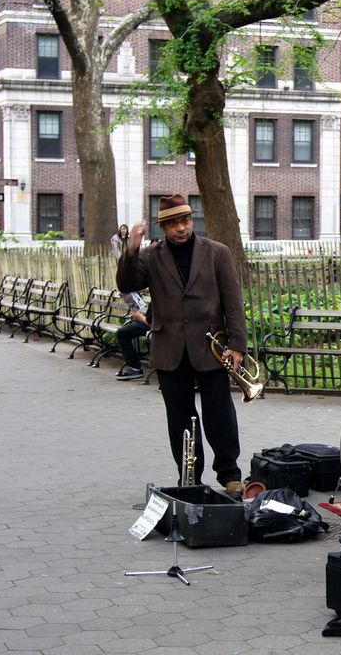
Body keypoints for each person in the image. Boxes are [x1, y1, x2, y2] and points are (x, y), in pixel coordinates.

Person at [116, 194, 247, 495]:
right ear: (163, 226)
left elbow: (233, 301)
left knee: (220, 414)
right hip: (170, 348)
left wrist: (238, 344)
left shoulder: (217, 252)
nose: (181, 228)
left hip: (211, 347)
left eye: (185, 220)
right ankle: (189, 476)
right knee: (179, 418)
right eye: (173, 223)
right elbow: (126, 284)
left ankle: (230, 474)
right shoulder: (150, 255)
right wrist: (132, 248)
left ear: (191, 220)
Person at [115, 293, 151, 381]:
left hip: (153, 328)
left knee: (122, 333)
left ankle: (135, 368)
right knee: (122, 332)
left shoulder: (160, 295)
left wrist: (139, 316)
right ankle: (135, 367)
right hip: (147, 323)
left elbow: (152, 323)